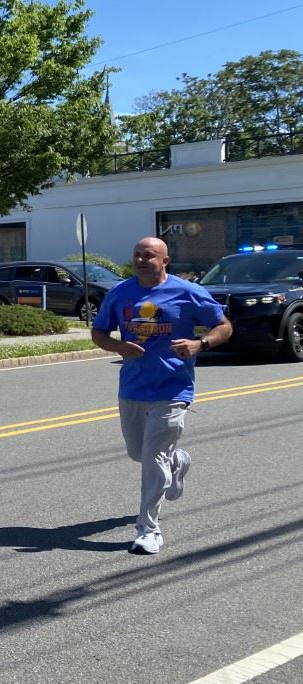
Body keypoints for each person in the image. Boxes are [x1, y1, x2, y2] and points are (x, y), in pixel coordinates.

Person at [90, 236, 231, 555]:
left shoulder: (188, 292)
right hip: (132, 387)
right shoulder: (120, 292)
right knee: (139, 453)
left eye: (149, 255)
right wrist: (117, 346)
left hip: (173, 388)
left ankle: (148, 529)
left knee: (152, 458)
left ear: (164, 261)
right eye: (137, 254)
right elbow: (99, 333)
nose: (141, 259)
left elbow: (223, 326)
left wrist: (200, 344)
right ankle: (178, 461)